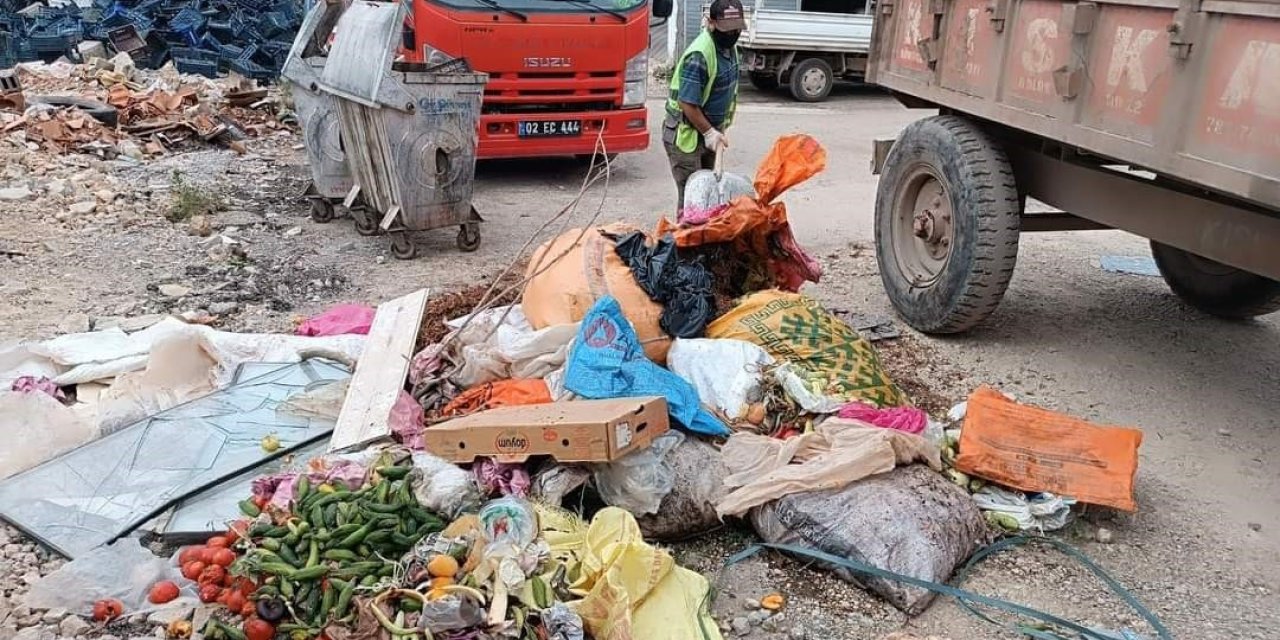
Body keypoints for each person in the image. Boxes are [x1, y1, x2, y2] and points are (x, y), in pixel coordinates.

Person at [663, 0, 744, 214]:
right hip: (686, 134)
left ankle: (705, 242)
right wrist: (709, 132)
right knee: (693, 196)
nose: (732, 33)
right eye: (727, 29)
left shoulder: (729, 49)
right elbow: (687, 102)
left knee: (709, 194)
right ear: (711, 23)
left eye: (736, 29)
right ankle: (684, 244)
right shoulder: (699, 55)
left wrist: (717, 130)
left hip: (710, 132)